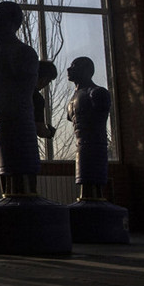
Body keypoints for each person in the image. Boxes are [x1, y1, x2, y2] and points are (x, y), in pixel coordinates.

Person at [0, 1, 40, 196]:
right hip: (0, 127)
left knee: (20, 188)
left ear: (10, 21)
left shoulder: (21, 52)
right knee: (6, 183)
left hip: (18, 129)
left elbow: (24, 97)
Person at [66, 56, 112, 200]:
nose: (69, 69)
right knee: (84, 184)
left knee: (94, 186)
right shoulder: (73, 99)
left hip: (95, 145)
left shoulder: (97, 93)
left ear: (86, 71)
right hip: (81, 146)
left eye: (75, 66)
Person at [34, 60, 58, 139]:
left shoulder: (16, 92)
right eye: (49, 81)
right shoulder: (37, 99)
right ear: (44, 79)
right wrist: (49, 132)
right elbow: (40, 130)